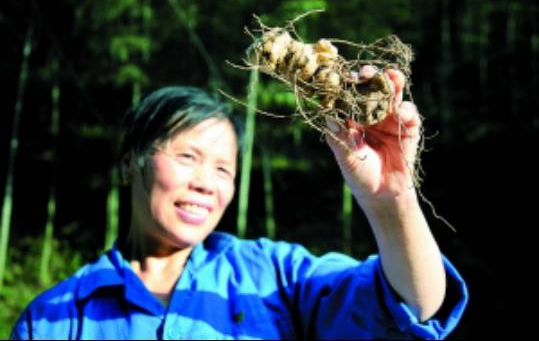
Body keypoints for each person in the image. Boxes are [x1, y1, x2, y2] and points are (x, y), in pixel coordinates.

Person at [11, 66, 468, 340]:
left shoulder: (274, 277)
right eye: (188, 157)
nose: (206, 183)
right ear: (131, 162)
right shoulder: (56, 318)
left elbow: (412, 307)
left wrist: (391, 202)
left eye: (223, 169)